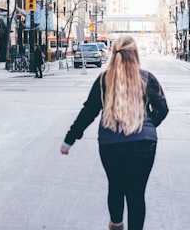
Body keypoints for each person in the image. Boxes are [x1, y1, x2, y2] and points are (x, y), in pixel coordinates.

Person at [61, 36, 169, 230]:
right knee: (136, 194)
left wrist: (69, 140)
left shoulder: (104, 79)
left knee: (116, 187)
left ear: (113, 53)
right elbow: (163, 109)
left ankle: (116, 225)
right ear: (135, 54)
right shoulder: (147, 78)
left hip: (111, 144)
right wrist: (148, 125)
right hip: (143, 144)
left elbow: (89, 111)